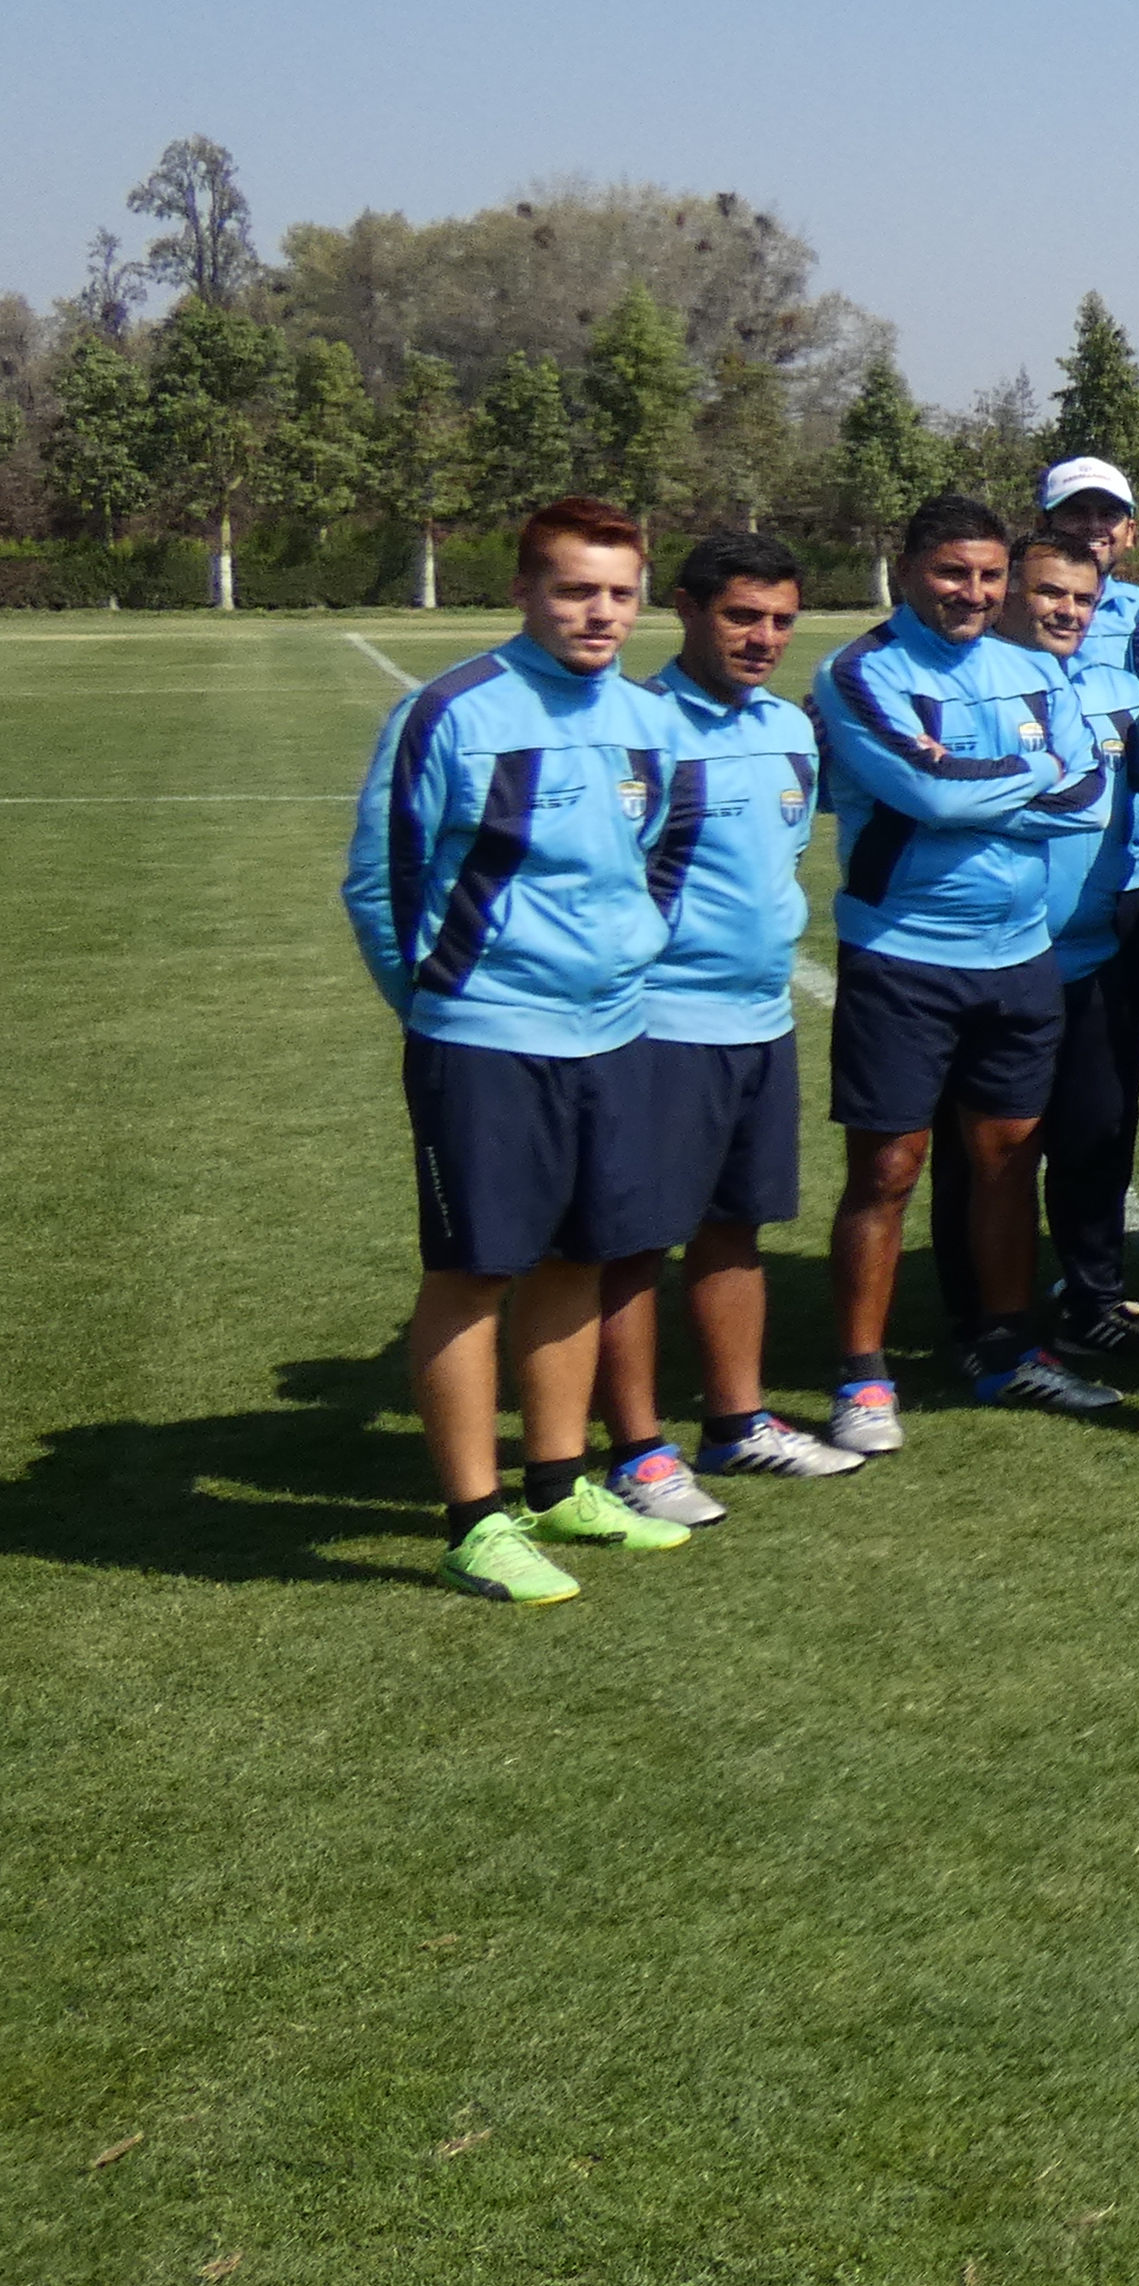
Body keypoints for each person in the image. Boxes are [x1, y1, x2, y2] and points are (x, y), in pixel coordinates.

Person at [345, 497, 696, 1603]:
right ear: (524, 591)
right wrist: (445, 1003)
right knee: (475, 1271)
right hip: (485, 1039)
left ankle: (556, 1483)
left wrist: (630, 957)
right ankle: (473, 1520)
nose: (600, 614)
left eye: (620, 594)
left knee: (581, 1257)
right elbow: (381, 884)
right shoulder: (451, 712)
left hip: (614, 1034)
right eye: (574, 590)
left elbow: (664, 858)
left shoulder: (651, 719)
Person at [811, 492, 1120, 1444]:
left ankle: (1008, 1349)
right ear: (907, 568)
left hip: (1021, 954)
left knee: (1006, 1160)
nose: (972, 592)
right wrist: (1020, 782)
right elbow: (927, 792)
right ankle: (862, 1378)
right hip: (903, 953)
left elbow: (1090, 794)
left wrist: (977, 789)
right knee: (888, 1168)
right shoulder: (859, 670)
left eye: (989, 576)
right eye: (952, 572)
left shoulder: (1034, 669)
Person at [592, 528, 853, 1514]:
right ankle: (637, 1452)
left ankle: (738, 1424)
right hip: (659, 1024)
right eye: (742, 616)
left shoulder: (788, 728)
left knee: (736, 1228)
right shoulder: (638, 727)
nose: (763, 638)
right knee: (635, 1240)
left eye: (780, 620)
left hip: (761, 1018)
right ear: (689, 611)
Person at [937, 530, 1139, 1366]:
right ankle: (975, 1316)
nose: (1068, 611)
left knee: (1096, 1136)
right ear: (1009, 595)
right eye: (1049, 593)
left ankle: (1092, 1296)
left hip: (1096, 954)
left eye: (1083, 598)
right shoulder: (966, 686)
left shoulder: (1120, 691)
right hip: (988, 957)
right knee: (981, 1152)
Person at [1038, 455, 1139, 681]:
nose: (1094, 525)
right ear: (1042, 525)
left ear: (1130, 533)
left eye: (1109, 515)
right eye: (1076, 513)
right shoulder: (1008, 609)